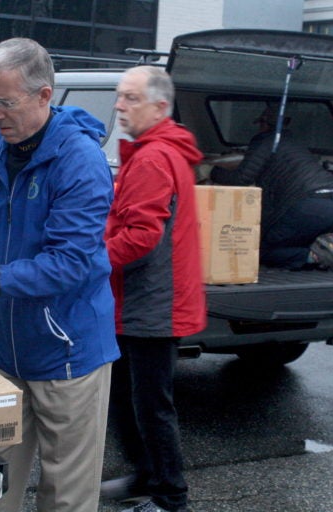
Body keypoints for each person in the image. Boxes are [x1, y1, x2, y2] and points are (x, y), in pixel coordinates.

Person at [0, 38, 119, 512]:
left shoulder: (79, 161)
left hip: (69, 353)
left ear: (44, 96)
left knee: (66, 495)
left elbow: (70, 262)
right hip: (5, 351)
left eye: (6, 103)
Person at [104, 65, 207, 512]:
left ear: (160, 107)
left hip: (151, 305)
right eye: (120, 96)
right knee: (127, 400)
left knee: (150, 406)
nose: (119, 105)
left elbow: (141, 236)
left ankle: (170, 498)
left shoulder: (151, 158)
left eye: (130, 98)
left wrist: (88, 262)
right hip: (149, 300)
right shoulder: (158, 152)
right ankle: (147, 476)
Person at [210, 103, 333, 271]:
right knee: (293, 237)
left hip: (308, 205)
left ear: (263, 124)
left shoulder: (264, 141)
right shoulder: (294, 143)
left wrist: (213, 172)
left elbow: (242, 178)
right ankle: (329, 240)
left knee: (259, 249)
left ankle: (315, 255)